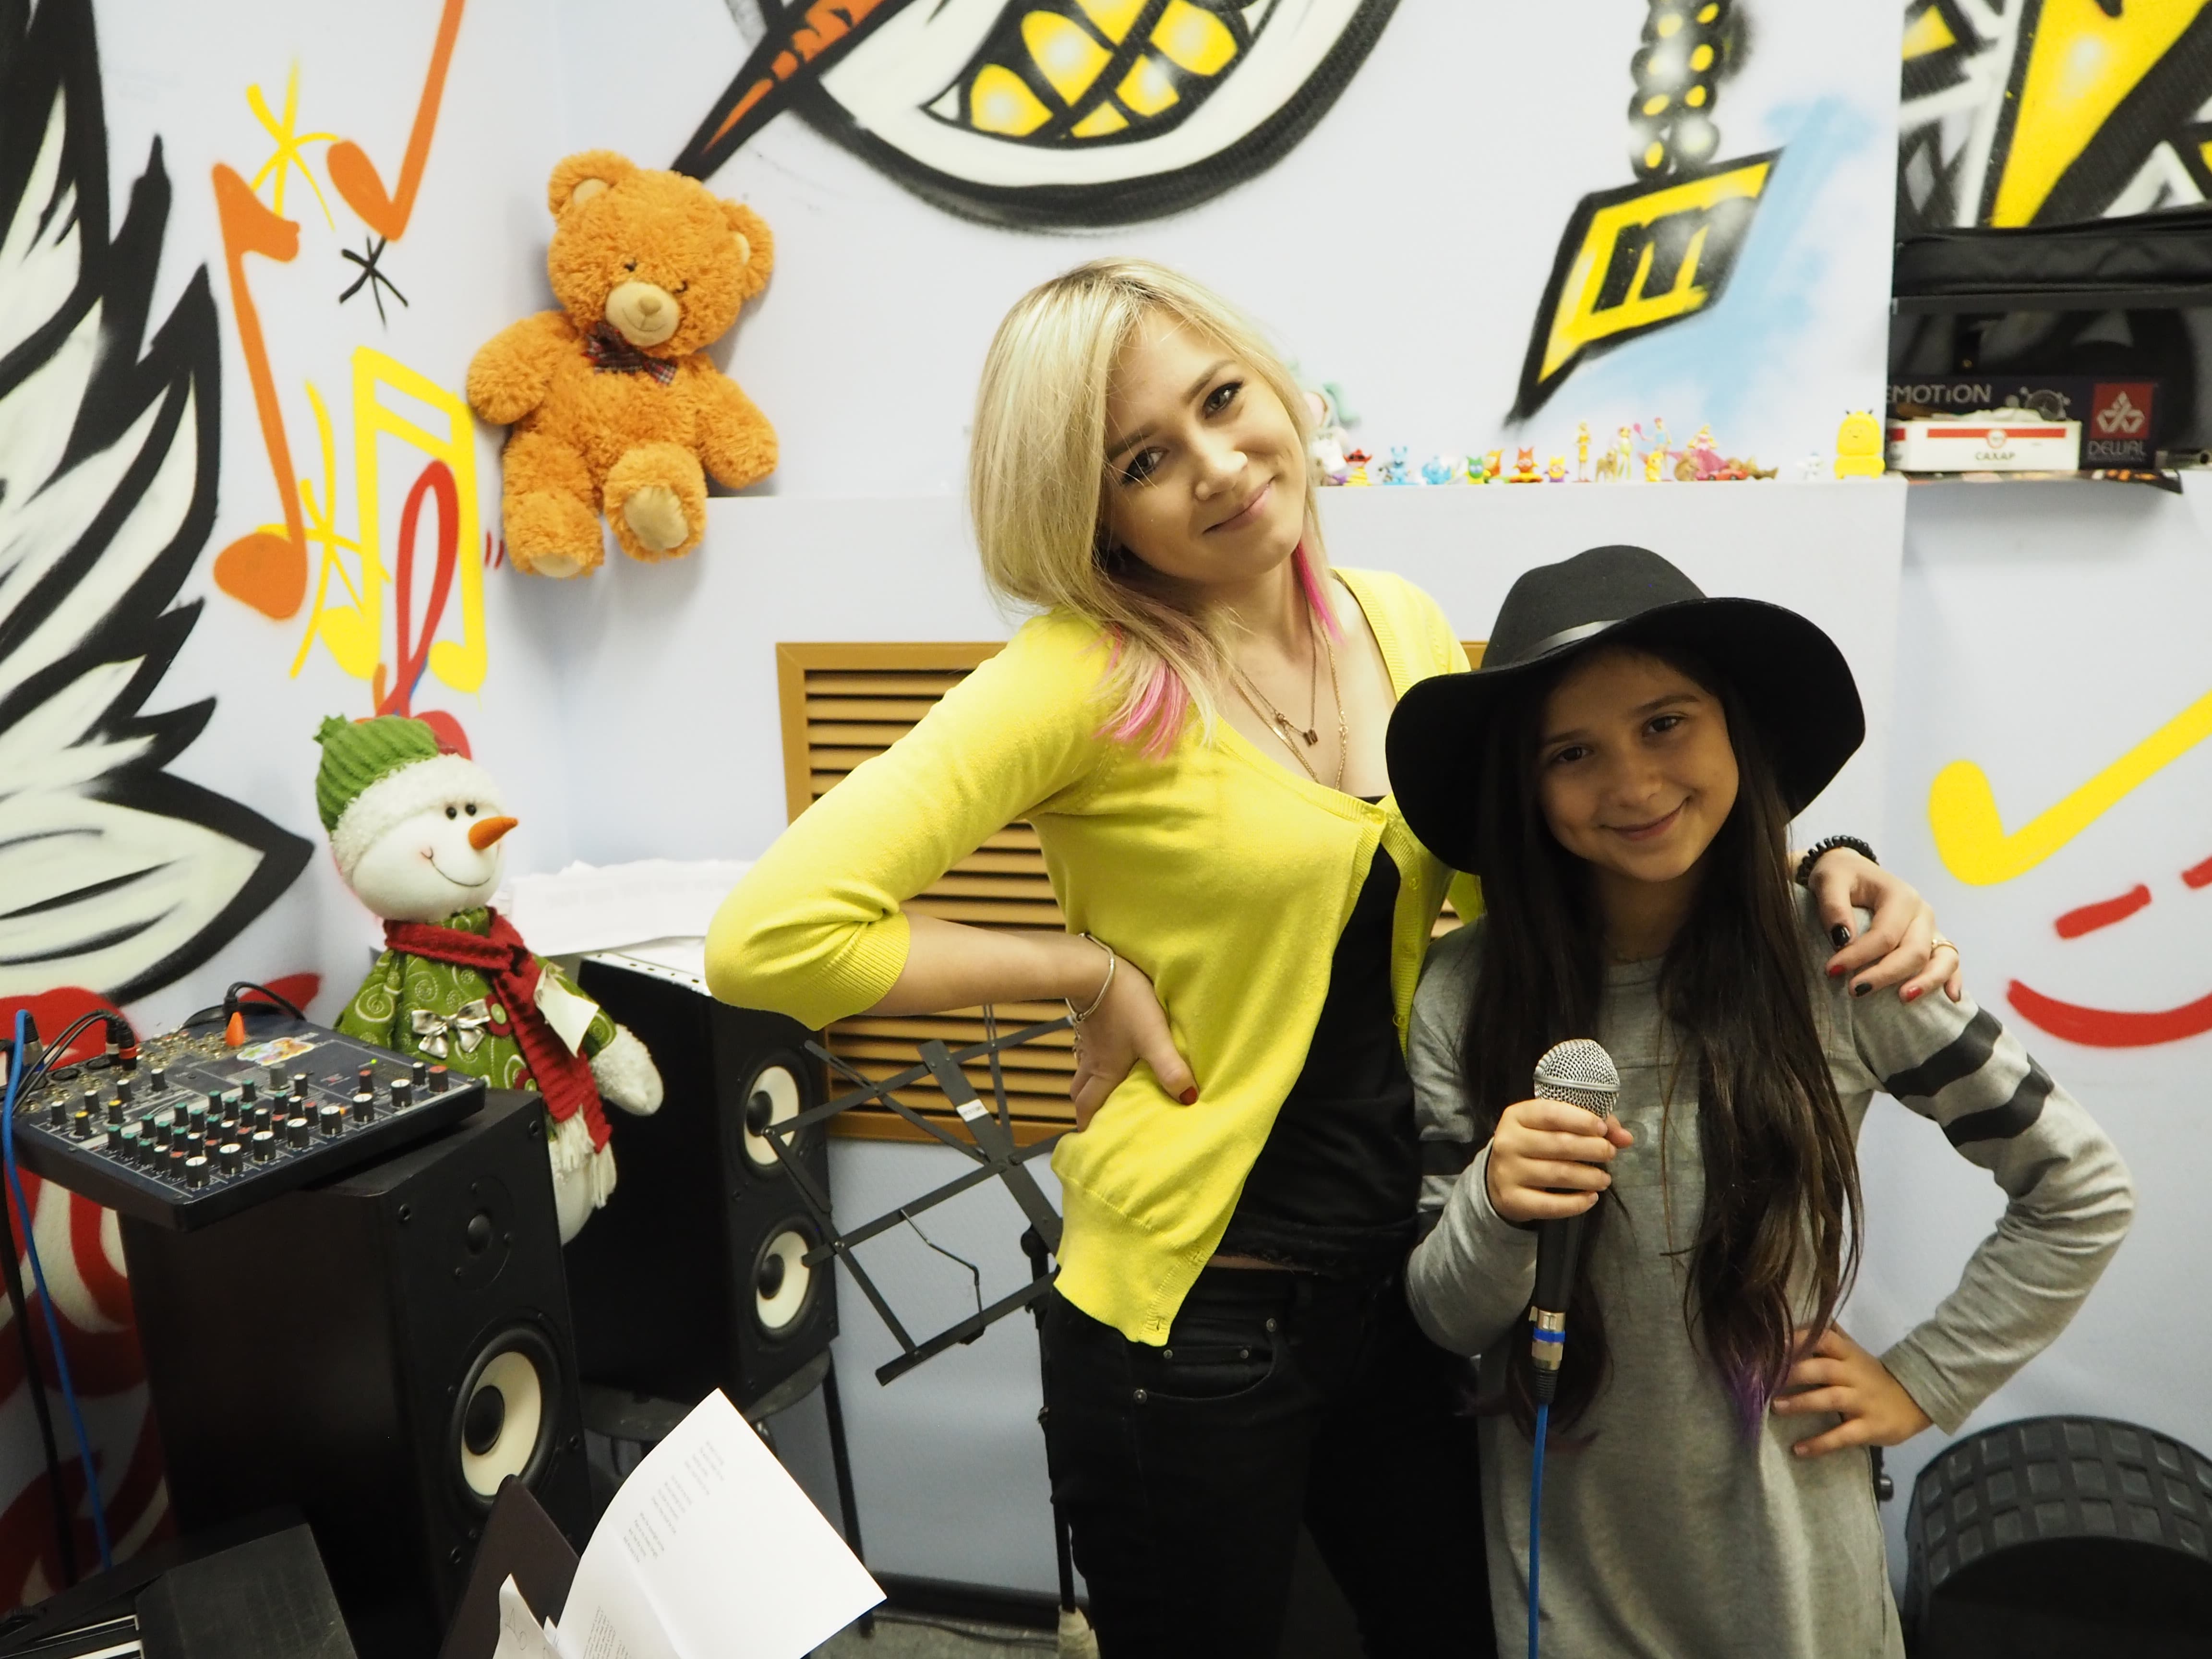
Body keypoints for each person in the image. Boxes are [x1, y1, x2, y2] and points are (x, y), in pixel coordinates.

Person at [706, 265, 1946, 1657]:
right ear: (1093, 514)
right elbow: (771, 938)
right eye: (1143, 460)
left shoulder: (1394, 622)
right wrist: (1085, 974)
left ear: (1274, 384)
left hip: (1403, 1293)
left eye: (1223, 398)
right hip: (1198, 1326)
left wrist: (1809, 868)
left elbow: (1555, 865)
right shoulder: (1081, 677)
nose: (1219, 465)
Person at [1386, 544, 2135, 1659]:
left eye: (1665, 724)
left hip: (1794, 1591)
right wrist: (1496, 1204)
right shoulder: (1465, 992)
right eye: (1572, 753)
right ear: (1525, 787)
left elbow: (2080, 1188)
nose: (1633, 784)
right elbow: (1446, 1317)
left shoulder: (1839, 962)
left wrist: (1926, 1378)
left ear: (1737, 727)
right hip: (1563, 1583)